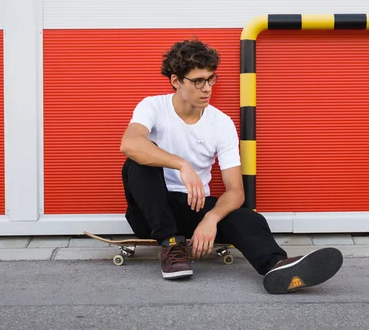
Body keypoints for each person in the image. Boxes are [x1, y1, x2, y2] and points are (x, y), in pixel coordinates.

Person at [119, 39, 343, 294]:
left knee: (248, 216)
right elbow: (129, 143)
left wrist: (210, 218)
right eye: (198, 81)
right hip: (151, 214)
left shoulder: (221, 123)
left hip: (193, 208)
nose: (207, 89)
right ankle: (171, 246)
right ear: (176, 81)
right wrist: (182, 165)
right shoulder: (153, 107)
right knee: (137, 162)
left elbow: (235, 191)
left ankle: (278, 267)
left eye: (211, 79)